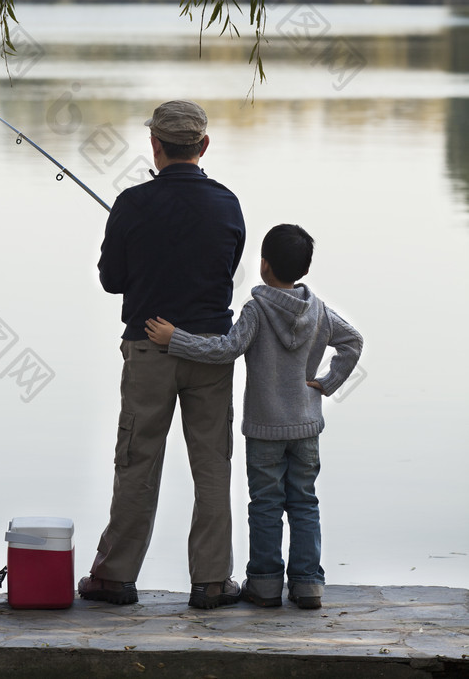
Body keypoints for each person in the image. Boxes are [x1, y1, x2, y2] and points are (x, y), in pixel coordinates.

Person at [78, 100, 246, 609]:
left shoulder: (131, 204)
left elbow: (111, 281)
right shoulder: (227, 203)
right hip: (213, 351)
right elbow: (228, 269)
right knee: (212, 465)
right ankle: (212, 582)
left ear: (154, 145)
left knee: (137, 460)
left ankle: (115, 578)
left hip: (149, 349)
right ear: (204, 145)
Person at [145, 223, 363, 610]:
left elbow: (227, 349)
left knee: (265, 504)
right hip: (306, 427)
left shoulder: (256, 309)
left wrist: (175, 338)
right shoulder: (319, 311)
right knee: (304, 502)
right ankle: (308, 584)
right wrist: (327, 383)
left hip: (264, 430)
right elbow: (353, 341)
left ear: (263, 266)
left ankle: (263, 584)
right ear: (304, 271)